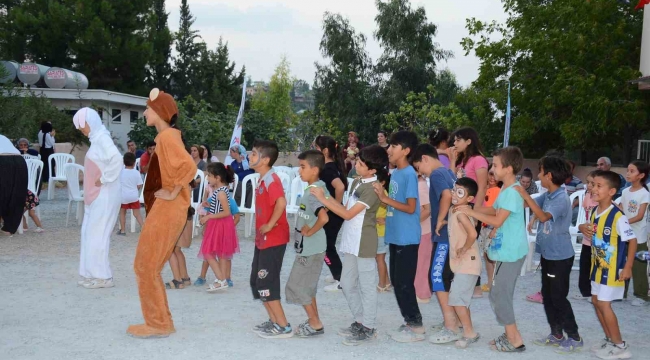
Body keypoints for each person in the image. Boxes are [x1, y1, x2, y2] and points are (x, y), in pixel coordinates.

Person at [128, 88, 197, 339]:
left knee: (145, 265)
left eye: (148, 108)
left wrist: (173, 191)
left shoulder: (167, 137)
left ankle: (158, 323)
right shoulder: (166, 137)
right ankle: (159, 321)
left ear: (158, 111)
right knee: (147, 265)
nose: (145, 112)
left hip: (169, 208)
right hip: (167, 207)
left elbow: (189, 166)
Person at [311, 145, 388, 345]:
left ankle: (369, 327)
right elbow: (345, 208)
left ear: (373, 170)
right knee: (346, 283)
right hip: (351, 240)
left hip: (364, 241)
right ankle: (360, 320)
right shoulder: (357, 182)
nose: (357, 164)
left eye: (361, 164)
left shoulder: (372, 189)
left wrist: (323, 198)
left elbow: (346, 214)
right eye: (358, 161)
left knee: (367, 285)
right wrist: (326, 200)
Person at [458, 146, 527, 353]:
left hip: (511, 252)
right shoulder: (506, 189)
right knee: (497, 293)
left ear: (508, 168)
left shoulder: (512, 192)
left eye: (495, 165)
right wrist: (471, 208)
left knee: (501, 294)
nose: (492, 169)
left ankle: (515, 340)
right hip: (504, 251)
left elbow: (498, 218)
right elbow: (494, 209)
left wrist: (472, 212)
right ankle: (510, 334)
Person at [515, 156, 583, 353]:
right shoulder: (550, 195)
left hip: (560, 257)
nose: (538, 175)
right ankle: (556, 334)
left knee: (558, 297)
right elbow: (531, 205)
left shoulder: (560, 197)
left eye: (541, 172)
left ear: (549, 175)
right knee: (548, 295)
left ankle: (575, 337)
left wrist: (525, 195)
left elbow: (545, 215)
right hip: (549, 255)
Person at [578, 171, 637, 359]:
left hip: (612, 270)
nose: (593, 188)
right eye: (592, 184)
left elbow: (632, 240)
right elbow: (590, 229)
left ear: (612, 191)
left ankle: (620, 346)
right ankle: (610, 339)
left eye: (598, 186)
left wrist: (628, 267)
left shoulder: (618, 216)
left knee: (604, 303)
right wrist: (582, 227)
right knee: (596, 301)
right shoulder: (596, 211)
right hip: (599, 266)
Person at [373, 131, 424, 343]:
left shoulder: (409, 174)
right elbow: (394, 202)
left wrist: (385, 198)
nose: (389, 150)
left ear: (406, 151)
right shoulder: (396, 174)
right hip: (395, 235)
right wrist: (382, 200)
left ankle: (416, 325)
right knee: (397, 281)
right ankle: (409, 321)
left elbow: (411, 208)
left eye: (394, 146)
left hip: (407, 238)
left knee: (404, 282)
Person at [412, 144, 459, 344]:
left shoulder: (438, 175)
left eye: (418, 167)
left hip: (444, 236)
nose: (420, 172)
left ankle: (451, 327)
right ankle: (452, 320)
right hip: (449, 235)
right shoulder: (447, 172)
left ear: (424, 159)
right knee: (444, 277)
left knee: (438, 276)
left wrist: (440, 219)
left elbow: (447, 196)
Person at [73, 108, 123, 289]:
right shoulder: (97, 139)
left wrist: (104, 179)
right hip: (94, 197)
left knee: (98, 235)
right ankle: (89, 273)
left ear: (91, 121)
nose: (81, 130)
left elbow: (117, 159)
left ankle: (103, 277)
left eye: (82, 125)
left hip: (105, 195)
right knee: (88, 234)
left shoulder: (102, 138)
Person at [248, 140, 292, 339]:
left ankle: (284, 327)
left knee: (267, 282)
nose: (250, 156)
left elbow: (281, 203)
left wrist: (271, 224)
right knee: (256, 281)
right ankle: (274, 320)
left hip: (273, 239)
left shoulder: (271, 180)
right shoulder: (262, 178)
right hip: (263, 240)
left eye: (254, 153)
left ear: (265, 159)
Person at [285, 150, 330, 337]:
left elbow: (324, 217)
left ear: (315, 169)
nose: (299, 170)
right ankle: (314, 320)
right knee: (308, 287)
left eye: (303, 167)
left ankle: (315, 322)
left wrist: (310, 231)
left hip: (311, 248)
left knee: (297, 286)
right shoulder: (317, 187)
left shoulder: (313, 192)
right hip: (311, 247)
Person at [447, 127, 488, 297]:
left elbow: (483, 186)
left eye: (458, 140)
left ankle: (474, 286)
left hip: (471, 208)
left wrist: (476, 212)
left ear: (468, 141)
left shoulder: (478, 160)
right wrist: (452, 159)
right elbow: (452, 180)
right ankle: (462, 280)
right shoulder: (463, 160)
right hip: (459, 207)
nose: (455, 143)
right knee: (458, 241)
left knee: (470, 244)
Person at [447, 177, 482, 349]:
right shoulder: (459, 209)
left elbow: (473, 234)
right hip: (464, 264)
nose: (454, 193)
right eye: (454, 189)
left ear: (469, 198)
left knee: (457, 299)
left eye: (459, 192)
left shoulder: (461, 212)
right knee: (460, 298)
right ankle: (467, 329)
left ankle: (470, 333)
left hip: (468, 263)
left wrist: (463, 249)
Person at [198, 162, 240, 292]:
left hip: (220, 223)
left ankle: (221, 279)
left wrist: (208, 217)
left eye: (209, 176)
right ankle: (221, 280)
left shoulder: (221, 192)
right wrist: (208, 206)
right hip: (219, 223)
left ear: (218, 177)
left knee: (208, 252)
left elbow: (227, 212)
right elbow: (219, 208)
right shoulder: (220, 191)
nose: (207, 178)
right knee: (221, 254)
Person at [313, 135, 347, 291]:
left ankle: (340, 279)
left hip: (332, 215)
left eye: (316, 148)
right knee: (327, 245)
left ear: (325, 151)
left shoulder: (328, 169)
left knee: (326, 247)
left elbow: (340, 187)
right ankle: (337, 274)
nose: (314, 151)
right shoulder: (332, 166)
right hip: (333, 213)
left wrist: (333, 206)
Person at [620, 160, 649, 306]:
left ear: (641, 175)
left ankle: (641, 295)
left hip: (639, 237)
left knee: (639, 265)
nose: (628, 173)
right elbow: (620, 209)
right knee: (622, 263)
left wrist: (623, 222)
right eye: (628, 170)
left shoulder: (644, 194)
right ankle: (621, 292)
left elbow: (639, 215)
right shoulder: (625, 191)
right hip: (625, 235)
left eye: (632, 171)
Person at [576, 171, 598, 301]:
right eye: (588, 182)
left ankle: (594, 292)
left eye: (592, 183)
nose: (589, 185)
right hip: (587, 236)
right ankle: (585, 291)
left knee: (595, 265)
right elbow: (586, 215)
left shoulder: (603, 199)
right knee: (584, 263)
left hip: (597, 238)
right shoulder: (587, 196)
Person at [0, 134, 28, 236]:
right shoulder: (3, 137)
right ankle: (9, 227)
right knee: (16, 194)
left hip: (2, 161)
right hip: (19, 161)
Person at [480, 164, 501, 292]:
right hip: (483, 227)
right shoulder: (482, 189)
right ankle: (490, 282)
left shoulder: (499, 191)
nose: (492, 177)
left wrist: (495, 229)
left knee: (492, 257)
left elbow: (497, 211)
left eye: (494, 174)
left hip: (492, 226)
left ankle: (495, 283)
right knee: (486, 256)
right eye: (490, 174)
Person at [414, 170, 432, 303]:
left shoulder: (421, 185)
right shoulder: (416, 184)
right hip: (417, 230)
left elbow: (427, 209)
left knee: (422, 263)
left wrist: (412, 223)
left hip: (424, 230)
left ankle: (423, 293)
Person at [118, 152, 144, 236]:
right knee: (137, 214)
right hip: (134, 196)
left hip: (123, 197)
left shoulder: (121, 173)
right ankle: (143, 227)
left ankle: (122, 230)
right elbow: (139, 185)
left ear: (124, 162)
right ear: (134, 163)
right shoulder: (136, 173)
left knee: (122, 213)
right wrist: (134, 189)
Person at [375, 176, 391, 292]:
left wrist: (385, 220)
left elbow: (387, 207)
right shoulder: (382, 194)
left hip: (381, 230)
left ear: (383, 182)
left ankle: (381, 284)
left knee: (380, 258)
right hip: (379, 230)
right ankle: (387, 282)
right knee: (380, 258)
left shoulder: (383, 195)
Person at [38, 121, 56, 187]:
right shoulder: (48, 135)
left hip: (42, 150)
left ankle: (44, 178)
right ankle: (49, 178)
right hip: (48, 150)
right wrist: (53, 136)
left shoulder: (40, 133)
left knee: (44, 164)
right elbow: (51, 143)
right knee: (50, 164)